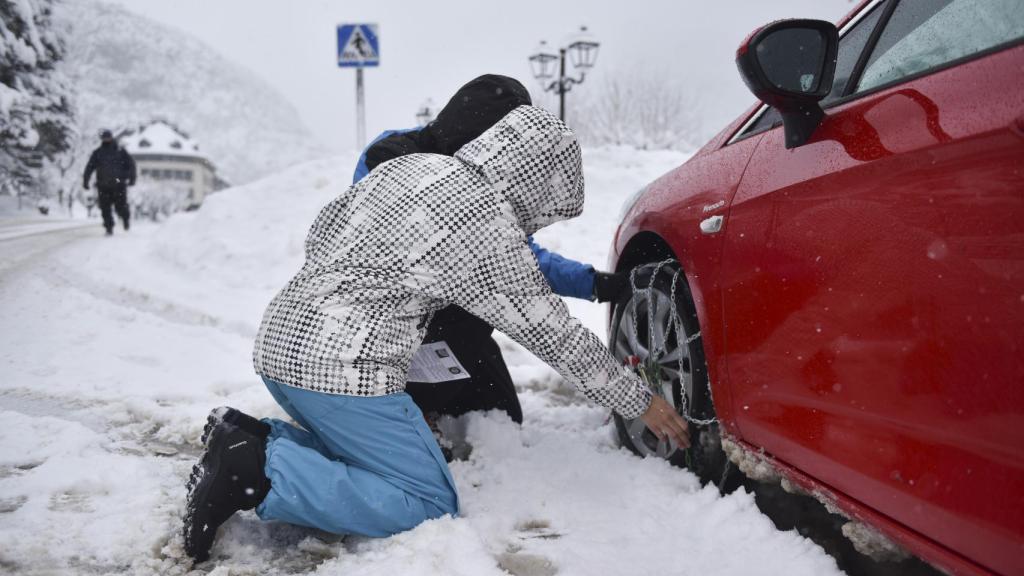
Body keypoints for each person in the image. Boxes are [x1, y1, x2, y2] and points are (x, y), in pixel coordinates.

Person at [182, 105, 690, 562]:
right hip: (341, 375)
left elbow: (323, 230)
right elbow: (549, 329)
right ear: (537, 183)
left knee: (368, 461)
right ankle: (255, 469)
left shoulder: (409, 167)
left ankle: (248, 436)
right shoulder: (486, 223)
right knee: (423, 502)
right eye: (544, 210)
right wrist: (636, 398)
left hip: (280, 348)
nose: (537, 223)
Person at [354, 74, 630, 428]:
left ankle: (433, 397)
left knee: (500, 417)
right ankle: (403, 407)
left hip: (451, 324)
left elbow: (518, 258)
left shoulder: (481, 178)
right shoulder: (388, 158)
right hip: (389, 329)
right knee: (470, 319)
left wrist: (593, 284)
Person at [83, 129, 136, 235]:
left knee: (121, 206)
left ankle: (125, 219)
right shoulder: (98, 153)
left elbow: (131, 165)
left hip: (119, 183)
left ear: (111, 137)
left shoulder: (121, 151)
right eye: (104, 137)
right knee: (105, 208)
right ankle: (109, 227)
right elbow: (89, 167)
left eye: (108, 137)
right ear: (102, 139)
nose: (106, 139)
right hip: (103, 184)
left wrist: (132, 179)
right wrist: (86, 180)